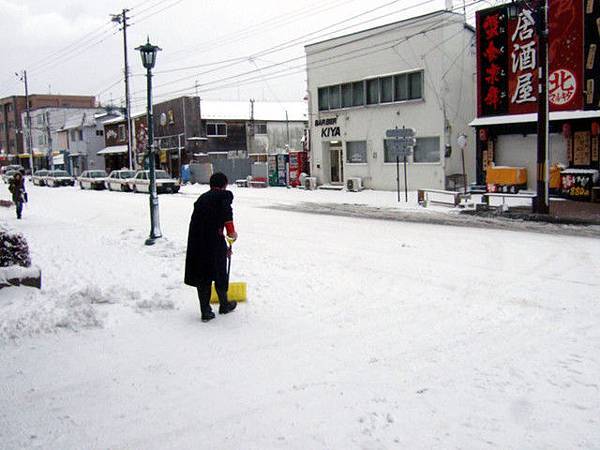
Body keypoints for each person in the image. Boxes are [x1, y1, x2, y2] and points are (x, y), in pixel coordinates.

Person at [185, 172, 238, 322]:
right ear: (224, 184)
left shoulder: (201, 199)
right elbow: (227, 218)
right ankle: (224, 304)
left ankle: (205, 310)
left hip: (197, 242)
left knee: (203, 275)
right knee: (220, 272)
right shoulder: (223, 197)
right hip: (214, 241)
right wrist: (232, 235)